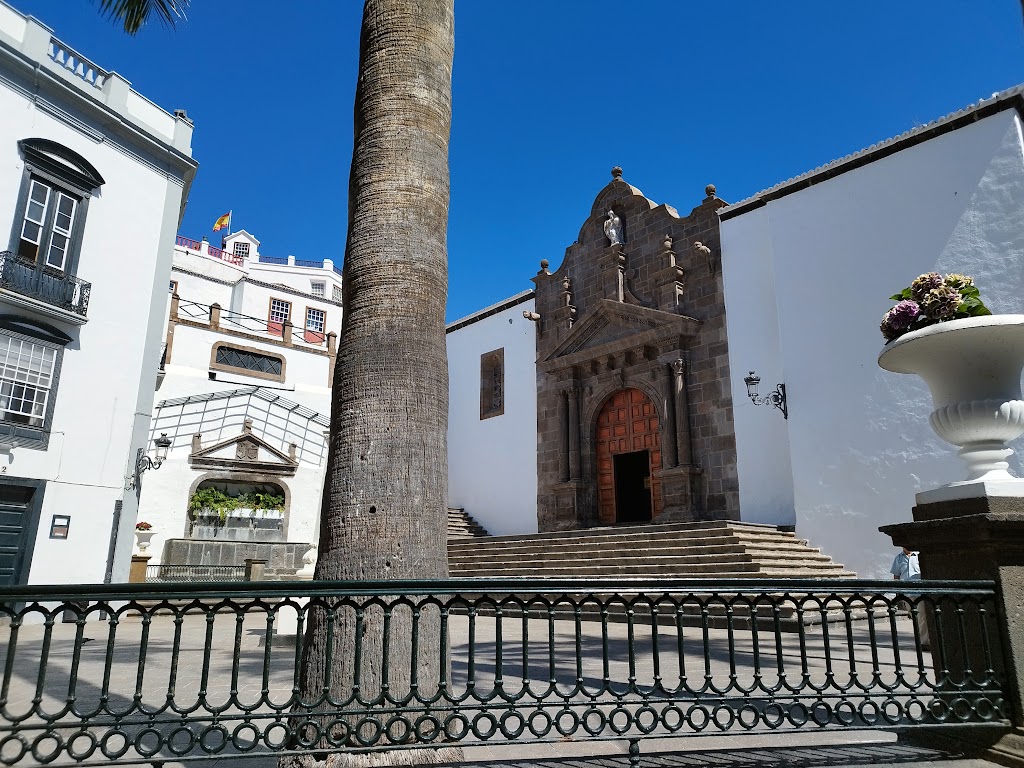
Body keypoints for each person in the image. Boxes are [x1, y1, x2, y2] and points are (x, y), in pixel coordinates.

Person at [891, 545, 930, 649]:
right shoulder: (898, 558)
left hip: (919, 592)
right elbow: (896, 576)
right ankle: (920, 639)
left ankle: (924, 642)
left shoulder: (918, 556)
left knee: (922, 616)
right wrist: (898, 592)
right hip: (907, 593)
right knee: (914, 616)